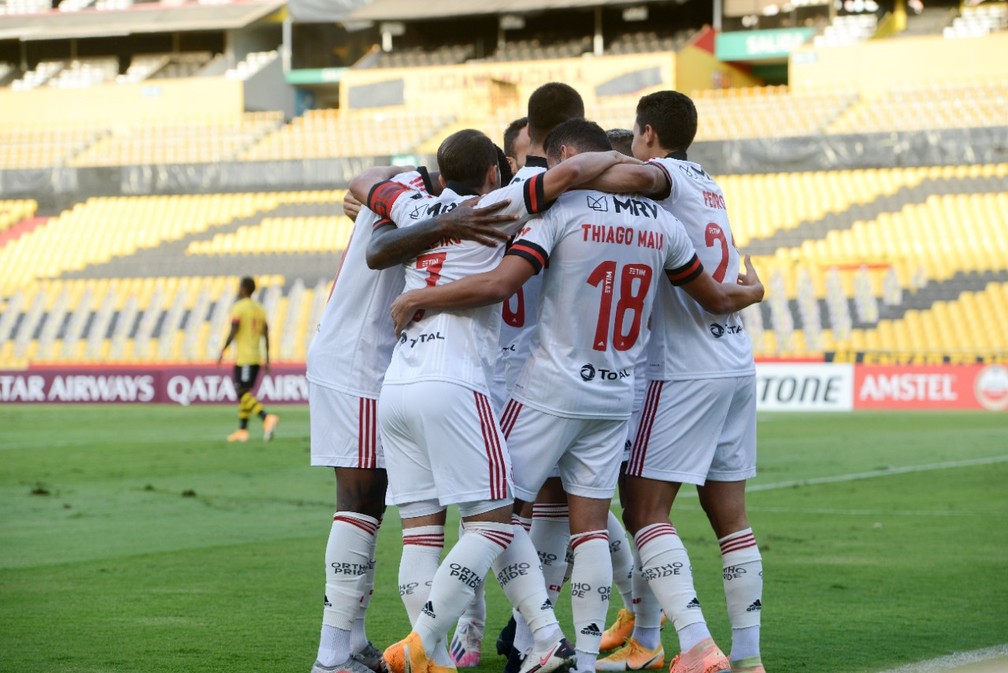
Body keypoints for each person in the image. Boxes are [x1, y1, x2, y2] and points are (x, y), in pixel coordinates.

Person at [389, 118, 764, 673]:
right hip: (615, 396)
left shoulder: (558, 214)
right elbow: (711, 296)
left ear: (565, 156)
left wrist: (422, 296)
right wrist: (751, 291)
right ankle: (582, 660)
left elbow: (499, 285)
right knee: (589, 527)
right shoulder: (664, 223)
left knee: (496, 515)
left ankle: (433, 638)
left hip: (549, 386)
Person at [359, 128, 634, 673]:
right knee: (494, 521)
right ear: (492, 172)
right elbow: (569, 173)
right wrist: (620, 158)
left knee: (421, 530)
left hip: (398, 384)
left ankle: (450, 653)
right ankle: (426, 645)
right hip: (456, 381)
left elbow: (366, 185)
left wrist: (408, 196)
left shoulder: (415, 204)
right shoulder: (499, 202)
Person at [306, 170, 517, 673]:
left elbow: (364, 191)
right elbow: (375, 228)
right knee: (359, 504)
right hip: (361, 356)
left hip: (379, 360)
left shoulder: (409, 199)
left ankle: (355, 642)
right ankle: (333, 653)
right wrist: (449, 218)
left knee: (387, 509)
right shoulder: (414, 196)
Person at [590, 90, 769, 673]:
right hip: (734, 362)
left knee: (644, 510)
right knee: (731, 519)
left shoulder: (664, 174)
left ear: (646, 134)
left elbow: (641, 183)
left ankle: (696, 644)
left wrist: (567, 171)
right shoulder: (709, 183)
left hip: (683, 368)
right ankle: (746, 655)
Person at [217, 276, 278, 442]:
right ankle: (242, 430)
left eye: (239, 287)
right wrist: (267, 359)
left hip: (245, 358)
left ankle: (266, 417)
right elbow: (266, 335)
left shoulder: (239, 307)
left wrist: (223, 349)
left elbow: (233, 330)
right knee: (245, 392)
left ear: (244, 288)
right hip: (256, 356)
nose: (238, 290)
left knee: (241, 392)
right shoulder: (260, 308)